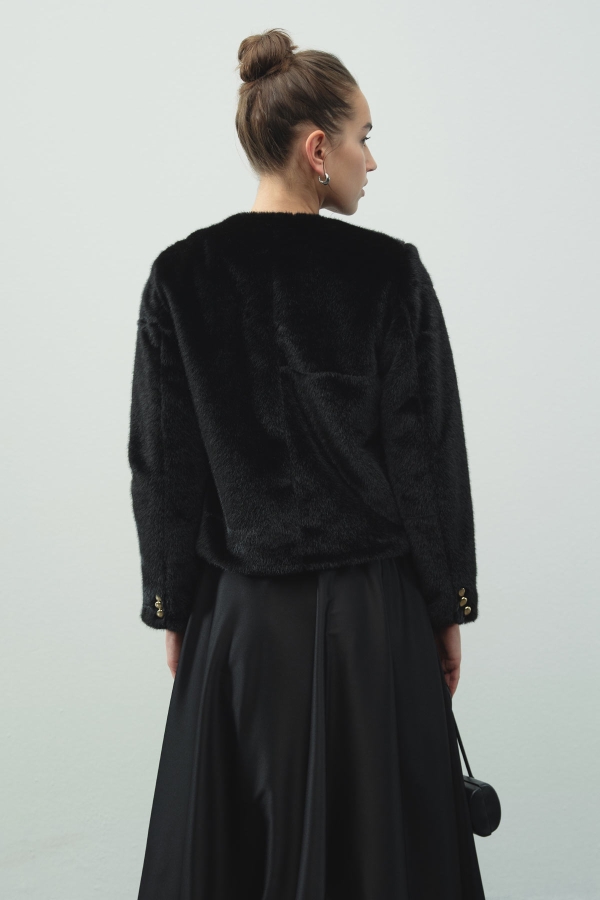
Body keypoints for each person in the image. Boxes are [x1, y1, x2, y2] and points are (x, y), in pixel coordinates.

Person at [129, 26, 486, 900]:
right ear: (317, 149)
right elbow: (425, 456)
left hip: (238, 624)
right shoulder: (391, 274)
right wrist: (447, 606)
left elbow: (165, 469)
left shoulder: (180, 277)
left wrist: (173, 607)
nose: (373, 158)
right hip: (373, 623)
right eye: (365, 136)